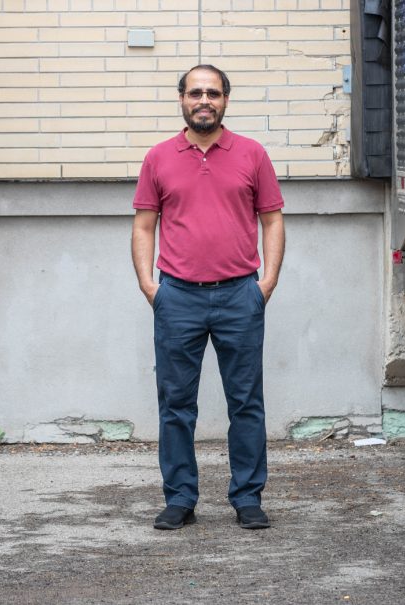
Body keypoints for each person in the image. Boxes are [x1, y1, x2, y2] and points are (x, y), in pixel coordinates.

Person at [131, 64, 286, 530]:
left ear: (225, 101)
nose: (204, 100)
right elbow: (144, 225)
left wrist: (267, 283)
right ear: (181, 99)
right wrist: (149, 286)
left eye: (213, 93)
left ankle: (247, 497)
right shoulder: (158, 157)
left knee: (246, 402)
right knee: (176, 404)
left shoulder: (252, 154)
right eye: (195, 92)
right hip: (177, 296)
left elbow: (272, 220)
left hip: (240, 294)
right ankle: (180, 498)